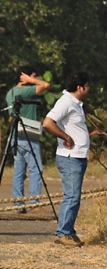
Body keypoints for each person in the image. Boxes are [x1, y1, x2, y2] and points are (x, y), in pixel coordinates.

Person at [43, 72, 91, 247]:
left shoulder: (76, 104)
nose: (88, 89)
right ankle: (63, 232)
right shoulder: (66, 102)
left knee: (74, 196)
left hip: (77, 156)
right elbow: (48, 122)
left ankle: (69, 231)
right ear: (80, 87)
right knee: (72, 196)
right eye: (87, 86)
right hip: (69, 157)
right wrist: (65, 136)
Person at [5, 66, 51, 211]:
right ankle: (34, 202)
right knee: (36, 169)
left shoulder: (10, 93)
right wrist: (30, 79)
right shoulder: (26, 90)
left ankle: (18, 203)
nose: (35, 80)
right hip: (29, 136)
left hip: (15, 136)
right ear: (24, 76)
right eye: (33, 76)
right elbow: (45, 85)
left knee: (19, 170)